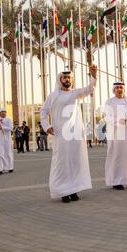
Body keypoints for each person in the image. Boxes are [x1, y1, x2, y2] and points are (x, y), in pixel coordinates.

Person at [40, 66, 98, 203]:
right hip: (60, 135)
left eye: (69, 78)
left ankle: (73, 190)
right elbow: (43, 112)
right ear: (60, 79)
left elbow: (90, 89)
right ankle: (62, 191)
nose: (67, 80)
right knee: (61, 162)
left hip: (75, 135)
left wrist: (94, 75)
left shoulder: (76, 93)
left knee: (74, 161)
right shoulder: (53, 96)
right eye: (64, 77)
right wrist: (46, 126)